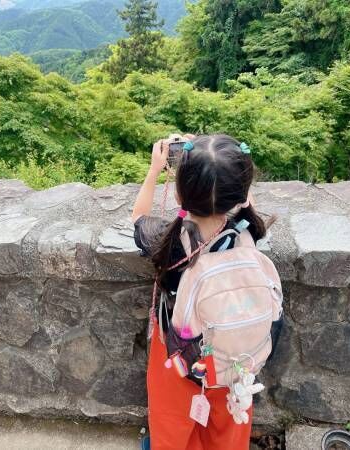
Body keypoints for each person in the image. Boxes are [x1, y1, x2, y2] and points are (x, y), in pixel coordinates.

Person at [132, 133, 274, 450]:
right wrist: (210, 157)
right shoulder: (248, 231)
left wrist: (156, 169)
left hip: (180, 354)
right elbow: (240, 197)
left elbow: (138, 218)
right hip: (233, 355)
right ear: (240, 191)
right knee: (228, 422)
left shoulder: (167, 242)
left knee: (172, 421)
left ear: (182, 194)